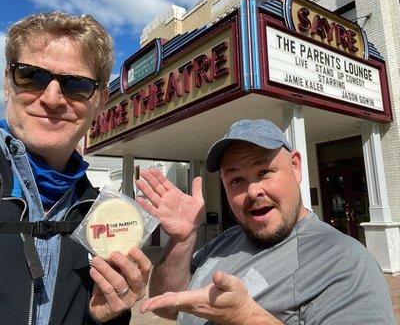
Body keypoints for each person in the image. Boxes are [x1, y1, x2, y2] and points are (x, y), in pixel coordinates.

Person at [136, 119, 395, 324]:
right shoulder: (226, 241)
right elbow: (168, 305)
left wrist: (247, 317)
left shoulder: (346, 261)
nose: (252, 191)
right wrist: (182, 241)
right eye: (236, 180)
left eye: (264, 172)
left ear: (295, 167)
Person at [0, 12, 151, 324]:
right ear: (7, 83)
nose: (53, 99)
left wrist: (104, 317)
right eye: (31, 76)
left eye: (77, 85)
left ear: (101, 100)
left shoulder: (98, 218)